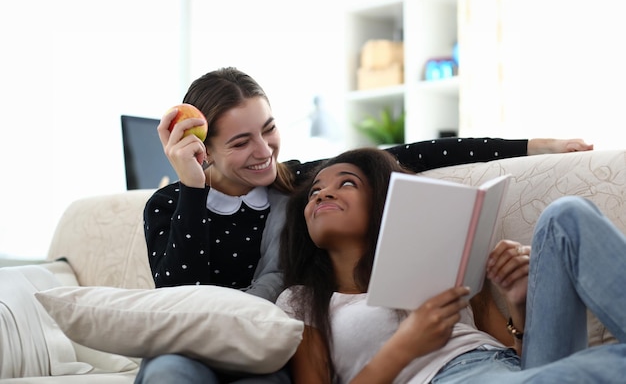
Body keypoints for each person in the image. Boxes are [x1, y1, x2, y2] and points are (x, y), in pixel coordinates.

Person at [135, 66, 594, 384]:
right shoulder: (170, 203)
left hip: (267, 358)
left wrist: (535, 144)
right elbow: (181, 298)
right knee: (170, 373)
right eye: (240, 142)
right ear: (204, 149)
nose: (264, 151)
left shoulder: (294, 182)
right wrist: (192, 188)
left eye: (268, 129)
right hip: (203, 345)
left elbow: (411, 154)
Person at [276, 147, 626, 383]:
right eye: (314, 192)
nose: (323, 194)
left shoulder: (443, 258)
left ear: (383, 199)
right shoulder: (300, 302)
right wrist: (407, 346)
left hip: (515, 371)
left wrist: (517, 301)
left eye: (346, 183)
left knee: (566, 216)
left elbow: (516, 354)